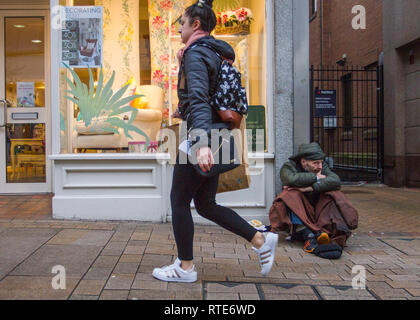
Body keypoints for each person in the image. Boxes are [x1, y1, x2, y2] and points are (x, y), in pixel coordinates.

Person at [152, 0, 278, 283]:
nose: (180, 29)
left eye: (182, 24)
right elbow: (205, 96)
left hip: (201, 136)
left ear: (195, 25)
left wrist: (202, 144)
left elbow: (198, 97)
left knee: (179, 200)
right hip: (215, 132)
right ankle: (260, 240)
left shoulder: (195, 54)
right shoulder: (216, 52)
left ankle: (185, 268)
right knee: (206, 204)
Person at [269, 142, 358, 254]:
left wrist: (311, 188)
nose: (320, 166)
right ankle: (307, 234)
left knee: (333, 194)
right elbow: (289, 179)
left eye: (321, 162)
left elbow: (335, 181)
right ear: (303, 162)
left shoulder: (322, 167)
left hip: (318, 211)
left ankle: (333, 231)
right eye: (315, 163)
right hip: (300, 213)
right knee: (290, 195)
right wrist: (316, 177)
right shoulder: (289, 166)